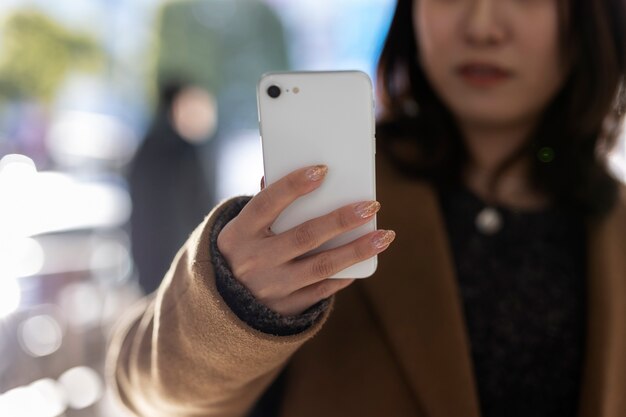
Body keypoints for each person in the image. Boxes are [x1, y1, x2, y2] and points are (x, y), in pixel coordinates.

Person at [107, 0, 626, 416]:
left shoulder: (613, 227)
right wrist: (234, 304)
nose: (483, 24)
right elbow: (149, 394)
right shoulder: (325, 195)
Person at [129, 81, 217, 294]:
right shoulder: (185, 150)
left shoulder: (144, 148)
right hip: (182, 260)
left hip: (148, 260)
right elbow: (203, 209)